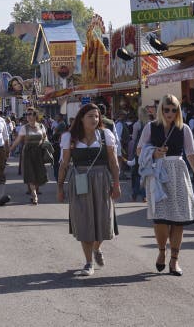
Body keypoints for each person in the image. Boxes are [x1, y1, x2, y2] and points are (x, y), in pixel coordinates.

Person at [137, 94, 194, 276]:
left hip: (178, 172)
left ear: (178, 111)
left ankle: (174, 261)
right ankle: (162, 251)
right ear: (161, 109)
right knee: (160, 218)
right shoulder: (151, 127)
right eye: (167, 109)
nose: (170, 113)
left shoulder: (183, 129)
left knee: (178, 220)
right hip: (158, 174)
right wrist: (154, 153)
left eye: (174, 109)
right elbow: (139, 149)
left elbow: (191, 154)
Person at [56, 103, 121, 276]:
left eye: (97, 116)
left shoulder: (106, 135)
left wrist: (116, 184)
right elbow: (63, 165)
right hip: (80, 180)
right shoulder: (70, 137)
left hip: (102, 181)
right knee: (84, 221)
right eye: (91, 116)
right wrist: (60, 187)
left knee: (102, 219)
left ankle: (96, 248)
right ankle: (88, 262)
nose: (95, 119)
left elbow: (113, 163)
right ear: (82, 118)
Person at [11, 107, 49, 205]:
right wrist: (10, 149)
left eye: (30, 114)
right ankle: (34, 195)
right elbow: (18, 140)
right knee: (30, 174)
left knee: (38, 174)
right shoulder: (24, 128)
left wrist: (46, 146)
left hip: (39, 152)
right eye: (27, 114)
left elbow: (45, 138)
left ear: (35, 116)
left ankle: (35, 191)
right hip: (28, 153)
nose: (28, 116)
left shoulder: (41, 126)